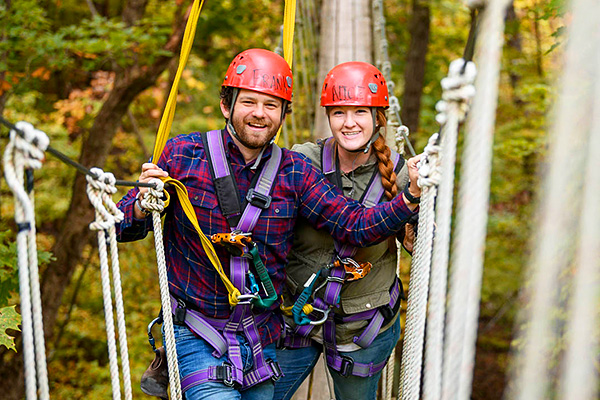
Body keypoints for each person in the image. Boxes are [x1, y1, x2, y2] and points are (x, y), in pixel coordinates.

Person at [115, 49, 421, 400]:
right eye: (249, 102)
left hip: (262, 337)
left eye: (271, 105)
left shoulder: (294, 172)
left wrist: (410, 196)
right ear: (226, 106)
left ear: (283, 116)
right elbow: (122, 228)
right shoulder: (182, 155)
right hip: (199, 332)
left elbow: (354, 224)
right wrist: (141, 204)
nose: (259, 114)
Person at [273, 61, 421, 400]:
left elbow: (423, 247)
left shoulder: (401, 174)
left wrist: (421, 207)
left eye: (360, 112)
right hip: (298, 317)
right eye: (339, 112)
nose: (349, 123)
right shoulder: (301, 161)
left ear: (378, 118)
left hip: (362, 330)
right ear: (328, 116)